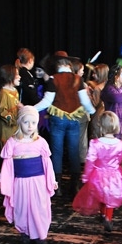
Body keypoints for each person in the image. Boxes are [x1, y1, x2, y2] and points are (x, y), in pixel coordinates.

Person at [32, 51, 95, 198]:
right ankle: (74, 187)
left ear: (57, 65)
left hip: (57, 119)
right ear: (68, 64)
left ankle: (57, 186)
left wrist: (31, 109)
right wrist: (92, 111)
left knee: (57, 151)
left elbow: (47, 102)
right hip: (74, 119)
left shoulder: (53, 79)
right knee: (74, 151)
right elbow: (85, 101)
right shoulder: (78, 79)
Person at [0, 106, 57, 244]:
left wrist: (52, 180)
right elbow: (7, 165)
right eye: (26, 122)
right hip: (20, 182)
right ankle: (24, 233)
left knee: (39, 207)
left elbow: (47, 164)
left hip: (38, 182)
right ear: (19, 122)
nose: (30, 126)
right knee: (21, 207)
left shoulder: (41, 142)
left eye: (33, 123)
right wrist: (1, 179)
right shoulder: (12, 142)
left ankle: (40, 235)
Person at [72, 111, 122, 233]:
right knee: (111, 197)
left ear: (101, 126)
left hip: (98, 175)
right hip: (115, 175)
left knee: (101, 194)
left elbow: (90, 161)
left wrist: (86, 176)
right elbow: (119, 160)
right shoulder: (121, 144)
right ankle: (108, 217)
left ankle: (103, 214)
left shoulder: (95, 143)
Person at [0, 64, 22, 154]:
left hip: (15, 128)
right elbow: (2, 111)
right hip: (6, 130)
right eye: (17, 74)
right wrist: (12, 120)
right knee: (7, 151)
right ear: (9, 76)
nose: (20, 77)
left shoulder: (15, 91)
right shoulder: (3, 93)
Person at [86, 62, 109, 139]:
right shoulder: (110, 85)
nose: (93, 75)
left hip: (98, 115)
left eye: (95, 73)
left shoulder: (97, 88)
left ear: (101, 74)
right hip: (108, 115)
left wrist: (89, 94)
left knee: (96, 136)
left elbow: (94, 104)